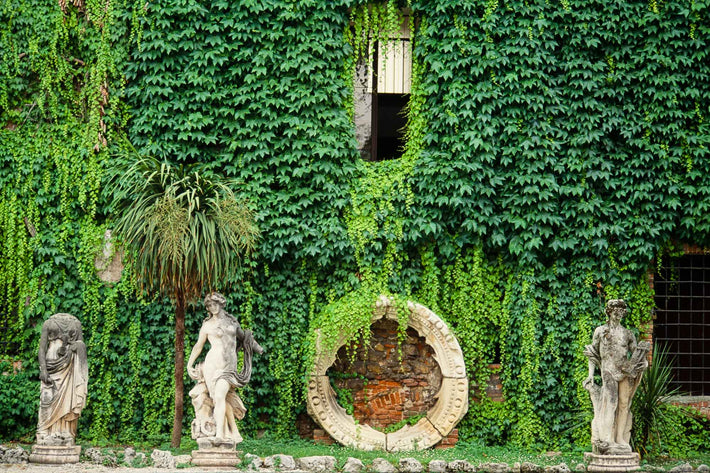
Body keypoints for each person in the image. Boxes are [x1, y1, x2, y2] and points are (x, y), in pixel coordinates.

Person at [187, 292, 263, 447]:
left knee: (221, 395)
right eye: (209, 305)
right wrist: (189, 364)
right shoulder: (207, 325)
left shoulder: (232, 323)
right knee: (218, 398)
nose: (212, 307)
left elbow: (245, 338)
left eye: (214, 304)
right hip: (211, 364)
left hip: (228, 366)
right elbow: (198, 346)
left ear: (221, 304)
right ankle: (225, 433)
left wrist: (258, 348)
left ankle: (222, 433)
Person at [584, 299, 650, 455]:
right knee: (611, 402)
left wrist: (644, 363)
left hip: (625, 371)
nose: (618, 313)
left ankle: (620, 438)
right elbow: (591, 353)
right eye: (615, 310)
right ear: (609, 311)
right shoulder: (600, 331)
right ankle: (607, 439)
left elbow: (636, 353)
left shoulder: (628, 334)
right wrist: (590, 375)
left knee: (623, 404)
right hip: (608, 370)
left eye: (621, 311)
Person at [36, 313, 88, 446]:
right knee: (48, 399)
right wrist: (43, 369)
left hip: (69, 364)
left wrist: (75, 346)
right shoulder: (49, 323)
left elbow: (80, 344)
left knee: (68, 398)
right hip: (51, 364)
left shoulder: (75, 323)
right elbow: (42, 348)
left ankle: (66, 433)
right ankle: (44, 432)